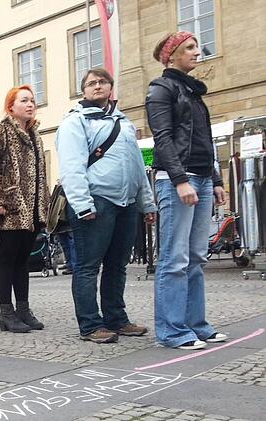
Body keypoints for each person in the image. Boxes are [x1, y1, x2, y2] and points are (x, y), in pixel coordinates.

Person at [57, 70, 157, 343]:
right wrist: (82, 204)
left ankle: (117, 319)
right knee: (88, 266)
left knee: (117, 265)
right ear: (83, 91)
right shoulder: (74, 122)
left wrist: (146, 202)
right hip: (96, 201)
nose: (97, 86)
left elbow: (137, 165)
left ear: (111, 87)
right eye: (91, 83)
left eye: (102, 82)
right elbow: (71, 167)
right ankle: (90, 325)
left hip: (125, 201)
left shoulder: (122, 122)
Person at [146, 32, 228, 350]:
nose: (198, 52)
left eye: (196, 47)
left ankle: (196, 324)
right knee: (174, 258)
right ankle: (171, 330)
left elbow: (204, 140)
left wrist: (217, 180)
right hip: (176, 179)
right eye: (190, 48)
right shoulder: (161, 88)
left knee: (195, 256)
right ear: (172, 55)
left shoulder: (193, 93)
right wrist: (180, 180)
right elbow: (163, 139)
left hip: (202, 178)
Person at [0, 85, 50, 333]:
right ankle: (6, 313)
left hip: (31, 208)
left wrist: (44, 204)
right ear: (11, 106)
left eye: (32, 100)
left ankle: (23, 309)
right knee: (7, 258)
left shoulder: (34, 134)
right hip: (10, 206)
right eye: (24, 100)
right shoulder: (0, 131)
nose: (30, 104)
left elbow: (40, 174)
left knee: (23, 259)